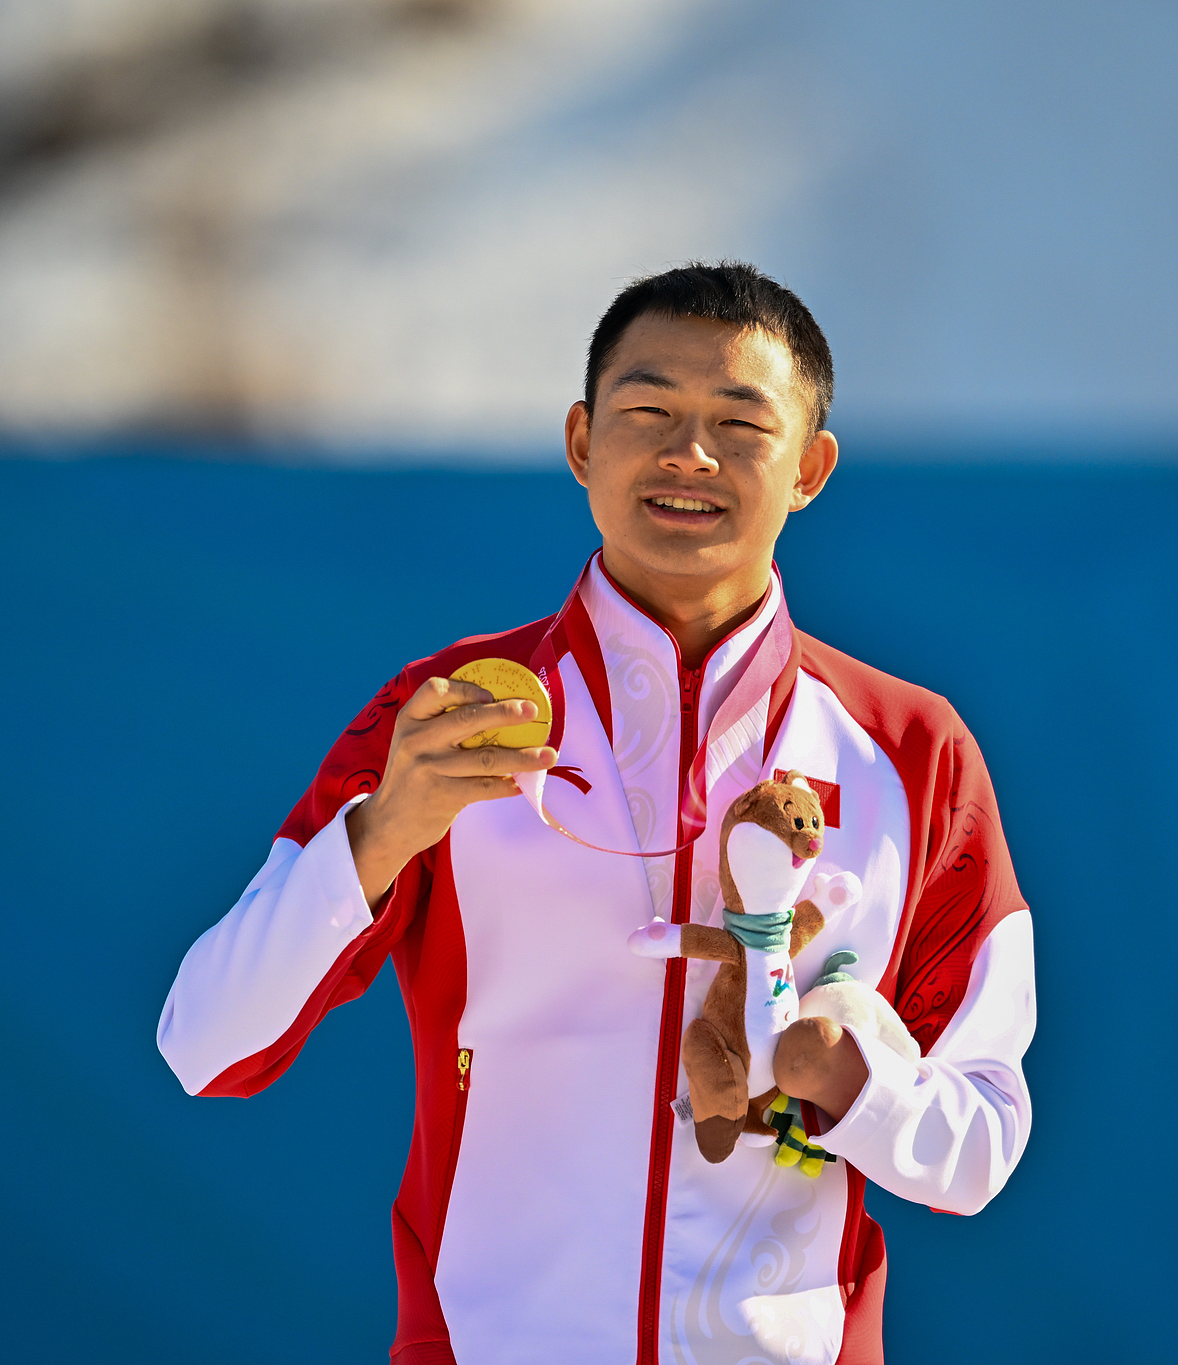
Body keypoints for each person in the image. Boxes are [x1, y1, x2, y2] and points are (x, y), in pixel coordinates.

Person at [157, 262, 1035, 1365]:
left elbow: (981, 1143)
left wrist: (851, 1081)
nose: (689, 454)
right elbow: (206, 1042)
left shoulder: (909, 751)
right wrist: (384, 833)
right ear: (581, 442)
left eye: (738, 423)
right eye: (648, 412)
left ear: (809, 469)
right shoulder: (444, 717)